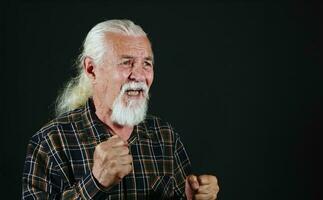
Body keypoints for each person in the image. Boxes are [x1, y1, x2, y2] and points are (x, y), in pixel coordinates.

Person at [22, 19, 219, 199]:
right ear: (91, 69)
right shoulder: (50, 143)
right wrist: (95, 182)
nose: (139, 76)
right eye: (126, 63)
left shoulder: (165, 136)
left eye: (147, 64)